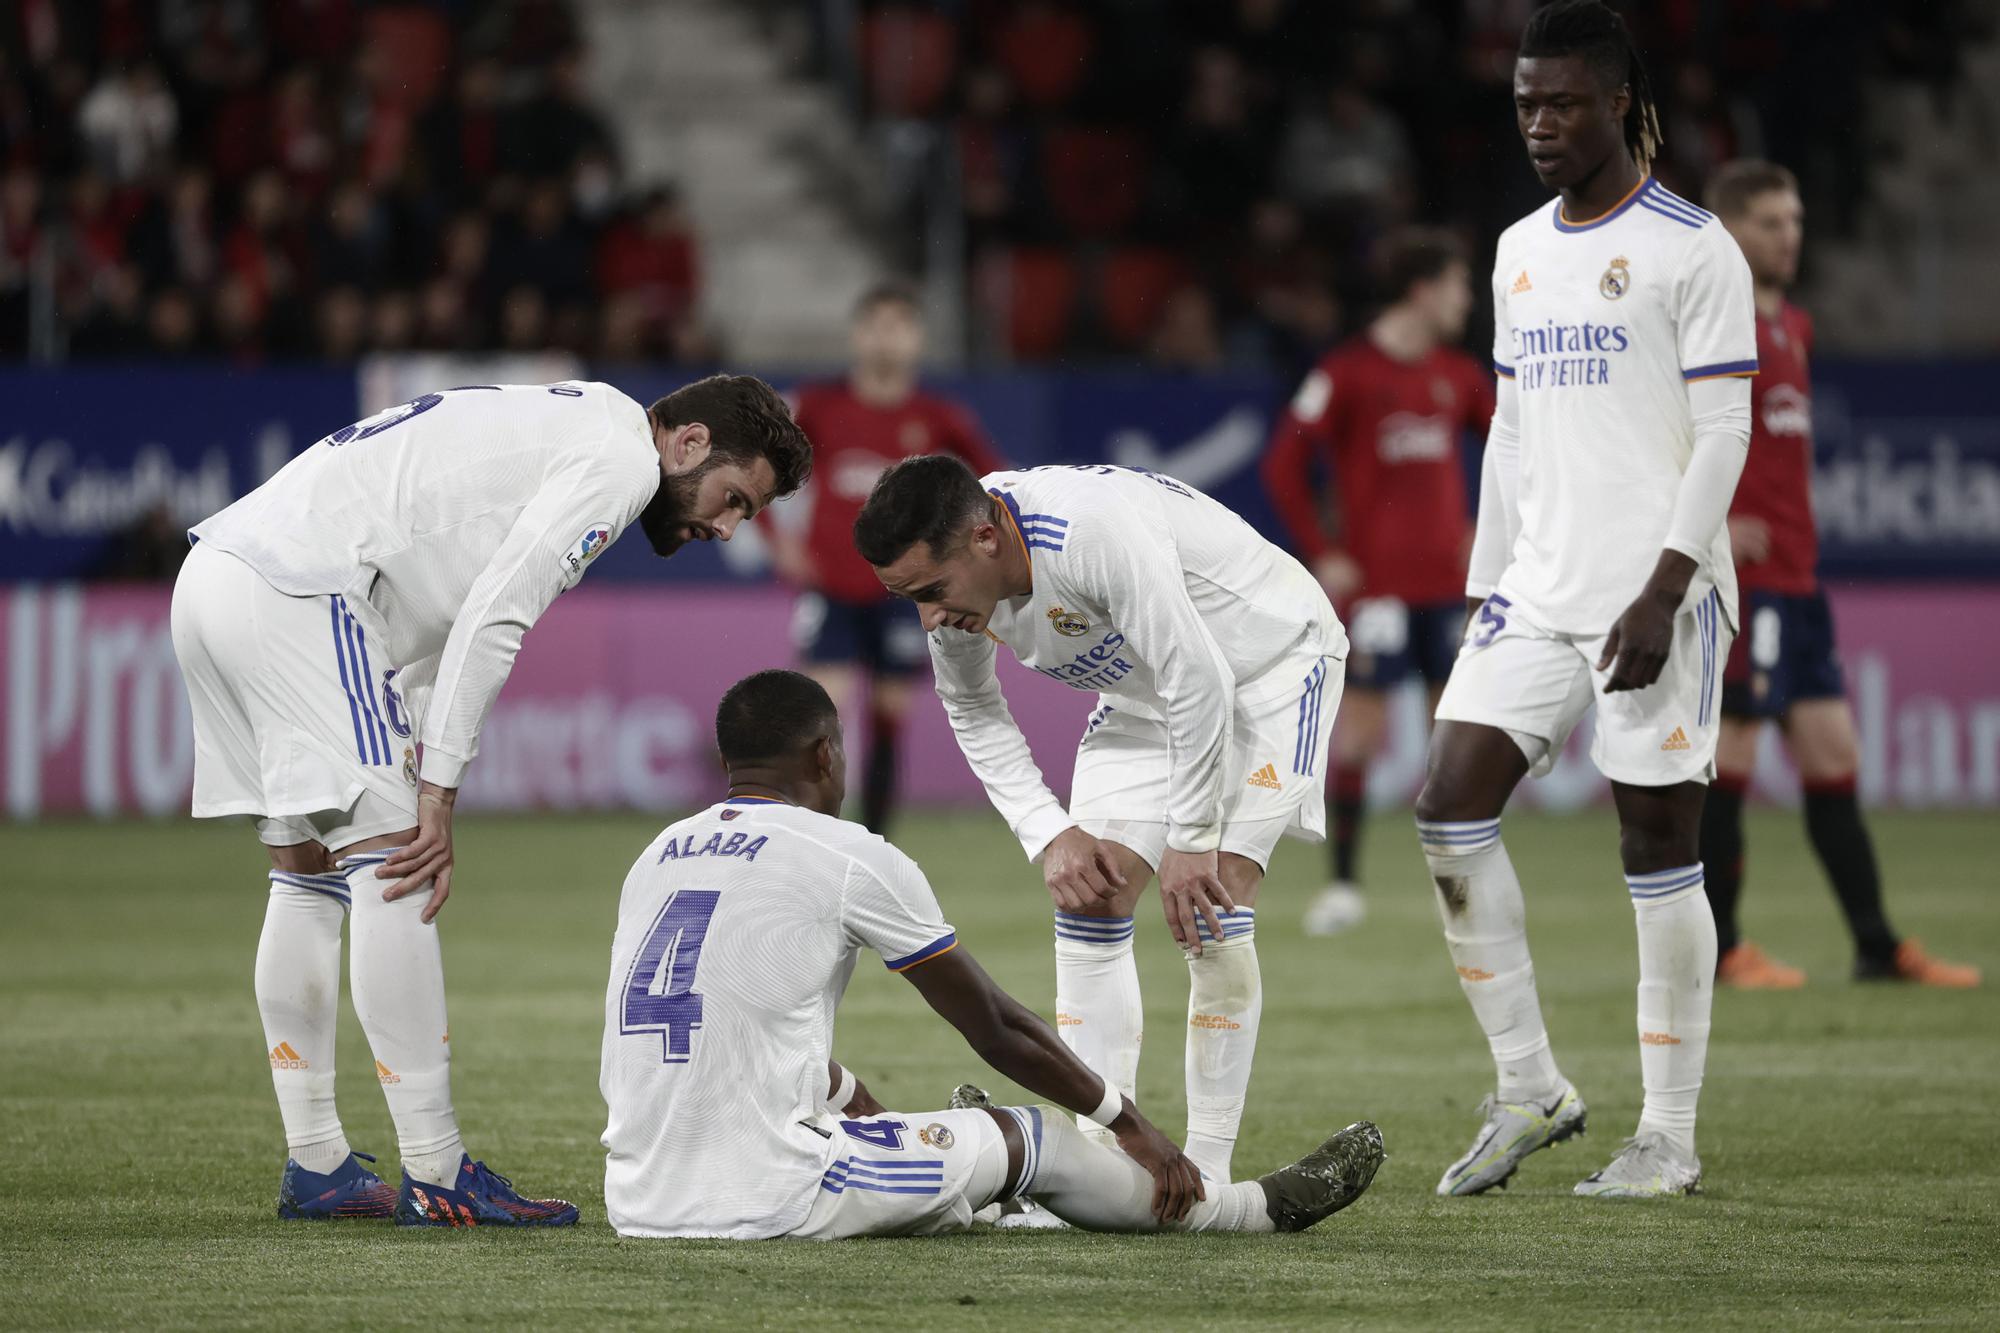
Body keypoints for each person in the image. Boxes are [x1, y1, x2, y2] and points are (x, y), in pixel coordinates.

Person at [171, 376, 812, 1225]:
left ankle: (318, 1160)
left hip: (219, 574)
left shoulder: (581, 416)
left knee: (306, 872)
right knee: (397, 865)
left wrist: (417, 741)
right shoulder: (619, 463)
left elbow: (450, 607)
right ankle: (437, 1170)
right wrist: (437, 787)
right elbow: (496, 612)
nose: (726, 527)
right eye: (735, 499)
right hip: (304, 593)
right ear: (687, 444)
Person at [600, 669, 1384, 1239]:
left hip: (635, 1194)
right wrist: (1126, 1120)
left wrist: (841, 1088)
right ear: (824, 756)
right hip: (770, 1194)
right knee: (1032, 1137)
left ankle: (970, 1189)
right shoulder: (847, 853)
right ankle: (1245, 1211)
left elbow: (705, 1022)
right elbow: (995, 1026)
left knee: (903, 1129)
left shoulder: (658, 855)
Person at [1414, 0, 1754, 1200]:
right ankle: (1528, 1089)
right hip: (1536, 588)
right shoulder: (1514, 248)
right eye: (1523, 105)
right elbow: (1510, 430)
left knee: (1657, 847)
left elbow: (1723, 432)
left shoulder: (1690, 246)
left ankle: (1666, 1133)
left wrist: (1665, 585)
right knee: (1447, 808)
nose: (1540, 124)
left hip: (1654, 590)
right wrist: (1480, 587)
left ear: (1619, 102)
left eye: (1560, 103)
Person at [854, 456, 1348, 1187]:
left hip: (1269, 667)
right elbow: (972, 707)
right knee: (1091, 893)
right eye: (907, 599)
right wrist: (1050, 833)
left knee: (1214, 900)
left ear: (986, 540)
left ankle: (1207, 1174)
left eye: (931, 592)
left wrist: (1191, 838)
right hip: (1149, 694)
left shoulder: (1087, 532)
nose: (930, 619)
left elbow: (1201, 677)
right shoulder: (957, 583)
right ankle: (1101, 1163)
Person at [1697, 160, 1979, 991]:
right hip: (1748, 584)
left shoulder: (1795, 328)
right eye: (1771, 222)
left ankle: (1875, 945)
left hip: (1799, 579)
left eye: (1795, 220)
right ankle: (1719, 951)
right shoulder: (1712, 327)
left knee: (1834, 757)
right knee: (1732, 751)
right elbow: (1659, 437)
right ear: (1730, 231)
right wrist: (1709, 524)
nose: (1790, 235)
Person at [1262, 228, 1495, 935]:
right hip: (1379, 593)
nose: (1465, 300)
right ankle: (1343, 887)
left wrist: (1492, 529)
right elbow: (1283, 464)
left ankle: (1457, 888)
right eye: (1457, 285)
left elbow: (1516, 452)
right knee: (1359, 736)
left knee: (1455, 740)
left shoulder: (1460, 376)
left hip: (1450, 590)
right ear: (1422, 290)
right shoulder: (1347, 372)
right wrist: (1323, 549)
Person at [775, 283, 1005, 835]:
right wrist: (776, 539)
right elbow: (763, 462)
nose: (886, 338)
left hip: (905, 593)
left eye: (899, 326)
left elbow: (997, 486)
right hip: (832, 586)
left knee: (889, 717)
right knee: (821, 716)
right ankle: (814, 837)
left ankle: (876, 842)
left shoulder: (938, 417)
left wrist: (967, 558)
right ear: (857, 335)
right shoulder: (821, 406)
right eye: (876, 325)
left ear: (917, 339)